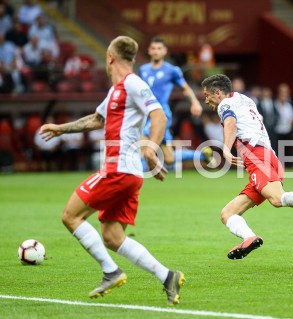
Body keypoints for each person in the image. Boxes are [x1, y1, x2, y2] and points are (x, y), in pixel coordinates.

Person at [39, 36, 185, 305]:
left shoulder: (132, 83)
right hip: (126, 175)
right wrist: (60, 129)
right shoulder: (116, 91)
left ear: (110, 57)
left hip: (118, 170)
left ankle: (111, 271)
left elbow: (159, 116)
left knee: (70, 216)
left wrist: (151, 148)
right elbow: (96, 120)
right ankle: (167, 276)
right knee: (112, 236)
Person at [201, 74, 293, 260]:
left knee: (277, 198)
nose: (206, 100)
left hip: (257, 156)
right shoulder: (245, 99)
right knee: (227, 213)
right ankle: (249, 237)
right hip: (268, 156)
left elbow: (231, 123)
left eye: (207, 95)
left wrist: (226, 150)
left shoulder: (224, 105)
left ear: (218, 92)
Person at [139, 37, 215, 170]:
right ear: (149, 51)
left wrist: (195, 102)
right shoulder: (143, 70)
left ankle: (133, 179)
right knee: (169, 159)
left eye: (159, 49)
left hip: (161, 113)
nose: (156, 51)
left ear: (165, 51)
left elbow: (185, 88)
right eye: (153, 48)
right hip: (146, 113)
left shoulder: (172, 70)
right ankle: (201, 155)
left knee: (143, 141)